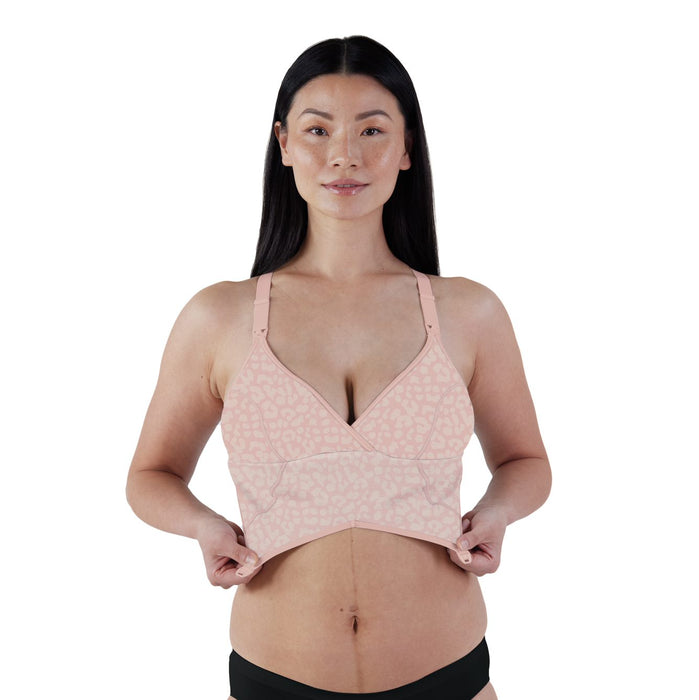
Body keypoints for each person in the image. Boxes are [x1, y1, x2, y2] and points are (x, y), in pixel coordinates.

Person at [126, 35, 551, 700]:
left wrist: (496, 512)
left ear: (407, 148)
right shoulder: (219, 317)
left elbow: (526, 462)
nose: (344, 154)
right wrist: (204, 526)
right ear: (284, 144)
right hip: (276, 674)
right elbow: (150, 476)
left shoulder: (469, 312)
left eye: (371, 130)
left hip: (447, 674)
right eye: (317, 129)